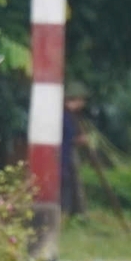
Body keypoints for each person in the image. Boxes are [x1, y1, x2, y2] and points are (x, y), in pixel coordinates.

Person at [60, 84, 88, 217]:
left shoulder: (71, 116)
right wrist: (79, 140)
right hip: (63, 156)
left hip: (65, 155)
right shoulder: (65, 116)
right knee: (66, 185)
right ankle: (65, 214)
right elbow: (67, 138)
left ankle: (70, 213)